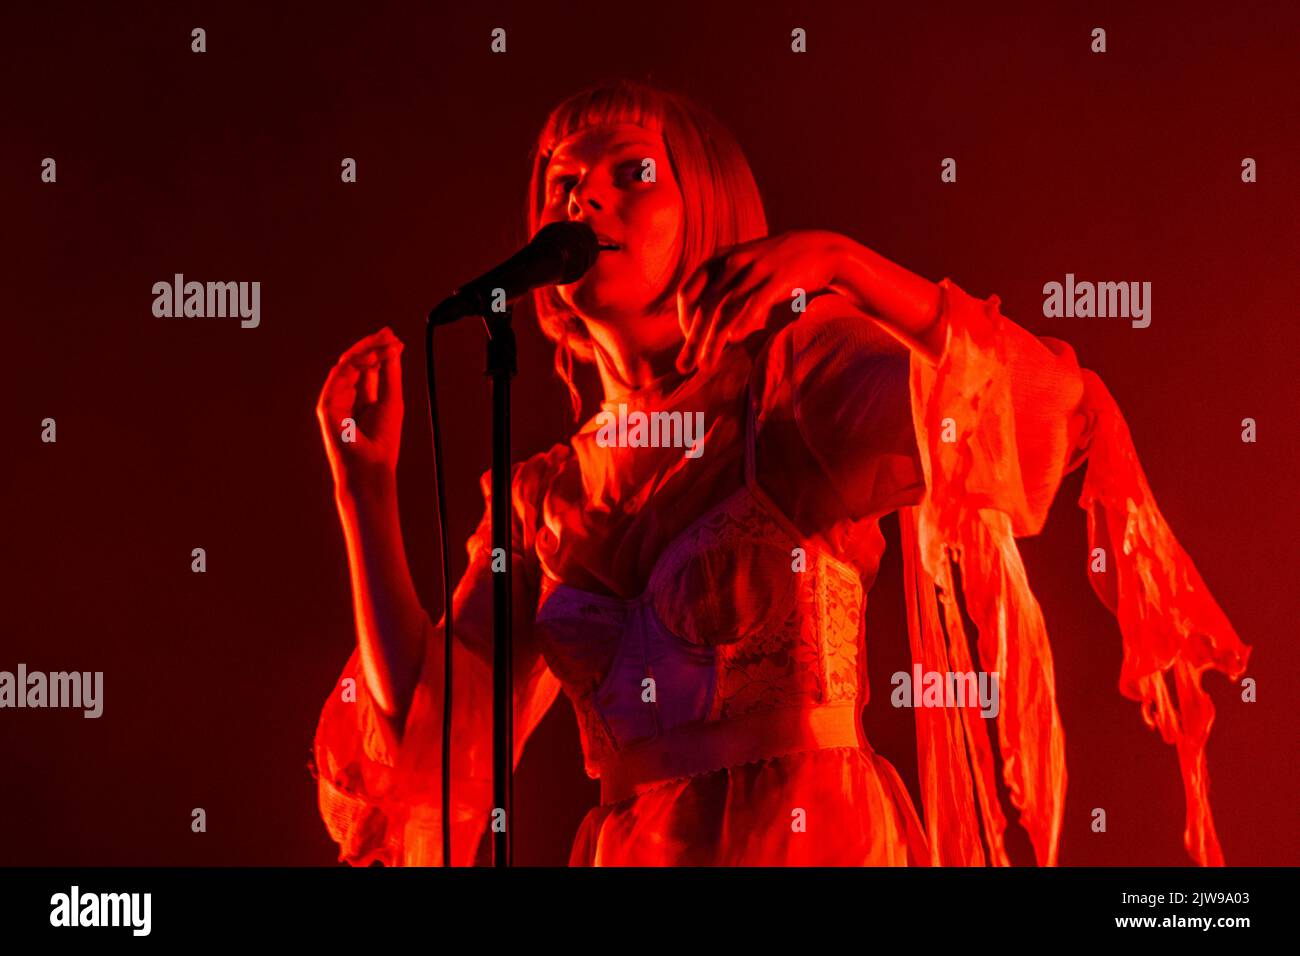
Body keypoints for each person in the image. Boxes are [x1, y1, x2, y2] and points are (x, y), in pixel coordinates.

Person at [309, 79, 1249, 867]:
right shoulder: (542, 498)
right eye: (562, 181)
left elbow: (1043, 407)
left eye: (630, 173)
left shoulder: (790, 388)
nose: (582, 199)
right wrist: (365, 493)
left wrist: (851, 265)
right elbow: (434, 741)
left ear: (707, 202)